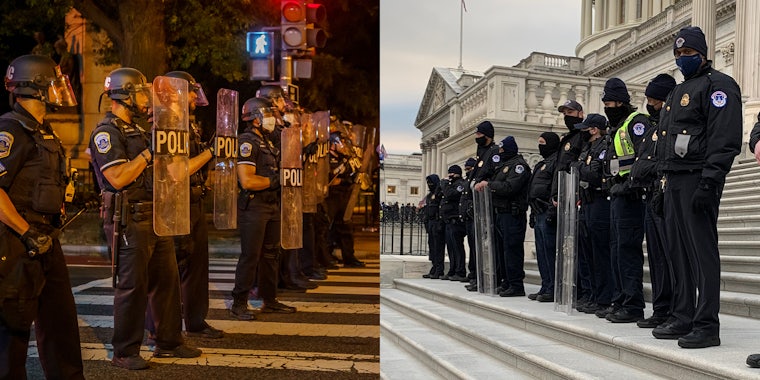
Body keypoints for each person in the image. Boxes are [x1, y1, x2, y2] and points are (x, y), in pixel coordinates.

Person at [89, 67, 201, 370]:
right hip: (130, 217)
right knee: (132, 286)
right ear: (123, 95)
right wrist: (149, 154)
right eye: (139, 93)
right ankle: (124, 351)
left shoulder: (139, 131)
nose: (144, 100)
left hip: (154, 215)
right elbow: (117, 177)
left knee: (167, 280)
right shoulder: (106, 133)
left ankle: (168, 340)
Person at [653, 26, 741, 349]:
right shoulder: (677, 92)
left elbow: (725, 137)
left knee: (702, 254)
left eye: (687, 54)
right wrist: (661, 185)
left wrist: (710, 180)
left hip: (698, 180)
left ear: (702, 54)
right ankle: (683, 314)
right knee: (678, 251)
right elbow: (666, 141)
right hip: (674, 180)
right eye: (678, 55)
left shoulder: (719, 86)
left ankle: (707, 324)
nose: (682, 59)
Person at [0, 54, 83, 379]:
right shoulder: (11, 129)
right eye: (54, 84)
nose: (59, 90)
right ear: (34, 87)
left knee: (61, 324)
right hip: (18, 243)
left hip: (48, 240)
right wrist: (25, 232)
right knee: (13, 332)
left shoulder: (42, 130)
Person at [144, 71, 222, 340]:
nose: (194, 96)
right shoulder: (163, 123)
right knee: (172, 267)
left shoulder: (188, 124)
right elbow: (177, 171)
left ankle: (196, 321)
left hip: (194, 200)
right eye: (190, 91)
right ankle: (160, 327)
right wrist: (211, 153)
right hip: (174, 203)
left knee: (197, 266)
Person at [230, 97, 297, 320]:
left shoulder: (267, 142)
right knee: (251, 255)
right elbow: (247, 180)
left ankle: (270, 299)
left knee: (271, 254)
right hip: (254, 206)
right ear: (256, 119)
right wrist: (275, 180)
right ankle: (239, 303)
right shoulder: (247, 142)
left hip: (271, 204)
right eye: (267, 115)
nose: (271, 120)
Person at [599, 77, 651, 324]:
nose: (608, 107)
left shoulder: (636, 122)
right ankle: (619, 300)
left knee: (628, 251)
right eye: (606, 103)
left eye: (611, 102)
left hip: (631, 196)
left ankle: (633, 304)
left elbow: (644, 156)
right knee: (616, 250)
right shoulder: (616, 127)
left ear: (621, 102)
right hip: (617, 194)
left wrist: (629, 184)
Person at [630, 73, 677, 329]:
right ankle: (660, 309)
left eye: (653, 99)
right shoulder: (652, 128)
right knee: (657, 259)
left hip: (665, 197)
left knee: (669, 258)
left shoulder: (671, 126)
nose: (650, 104)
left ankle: (673, 310)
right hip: (650, 197)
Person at [474, 136, 531, 297]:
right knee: (502, 250)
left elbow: (511, 187)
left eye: (501, 150)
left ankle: (516, 284)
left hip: (512, 213)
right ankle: (506, 281)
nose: (499, 153)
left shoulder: (519, 166)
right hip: (501, 213)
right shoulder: (504, 165)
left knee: (512, 250)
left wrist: (489, 185)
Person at [570, 114, 612, 315]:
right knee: (588, 254)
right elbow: (578, 168)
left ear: (594, 129)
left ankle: (604, 298)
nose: (582, 133)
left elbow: (594, 174)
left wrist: (579, 168)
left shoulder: (603, 146)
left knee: (600, 253)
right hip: (586, 202)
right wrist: (580, 167)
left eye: (585, 129)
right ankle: (593, 294)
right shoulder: (587, 149)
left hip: (600, 202)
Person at [552, 99, 593, 308]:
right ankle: (573, 289)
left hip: (576, 197)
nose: (566, 115)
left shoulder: (583, 135)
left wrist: (576, 193)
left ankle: (585, 291)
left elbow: (580, 165)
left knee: (581, 250)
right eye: (564, 112)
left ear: (580, 113)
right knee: (569, 249)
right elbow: (559, 169)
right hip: (563, 197)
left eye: (570, 111)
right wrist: (555, 194)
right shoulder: (567, 138)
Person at [464, 121, 501, 291]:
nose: (476, 138)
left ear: (487, 135)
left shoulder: (493, 153)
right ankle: (477, 277)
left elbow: (492, 176)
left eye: (479, 135)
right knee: (475, 245)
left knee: (487, 245)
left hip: (487, 206)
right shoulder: (482, 153)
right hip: (477, 207)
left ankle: (488, 278)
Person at [527, 132, 560, 302]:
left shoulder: (556, 161)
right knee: (541, 253)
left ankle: (553, 287)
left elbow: (554, 188)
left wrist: (551, 213)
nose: (540, 146)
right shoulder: (541, 164)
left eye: (543, 143)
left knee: (549, 252)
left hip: (547, 211)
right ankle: (545, 285)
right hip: (538, 211)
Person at [439, 165, 468, 282]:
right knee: (451, 248)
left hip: (456, 220)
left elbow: (450, 194)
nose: (450, 175)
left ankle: (460, 271)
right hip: (448, 221)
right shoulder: (451, 185)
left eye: (452, 173)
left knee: (457, 247)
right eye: (449, 173)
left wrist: (444, 184)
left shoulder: (460, 184)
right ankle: (452, 269)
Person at [421, 173, 444, 278]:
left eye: (431, 182)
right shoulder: (430, 195)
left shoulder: (439, 193)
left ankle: (439, 269)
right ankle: (434, 267)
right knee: (432, 247)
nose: (429, 184)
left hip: (437, 222)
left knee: (438, 247)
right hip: (430, 223)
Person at [460, 157, 478, 283]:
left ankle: (476, 273)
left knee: (476, 248)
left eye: (469, 168)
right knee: (472, 247)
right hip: (468, 218)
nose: (467, 171)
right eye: (465, 169)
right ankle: (472, 272)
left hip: (474, 217)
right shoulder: (467, 181)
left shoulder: (475, 180)